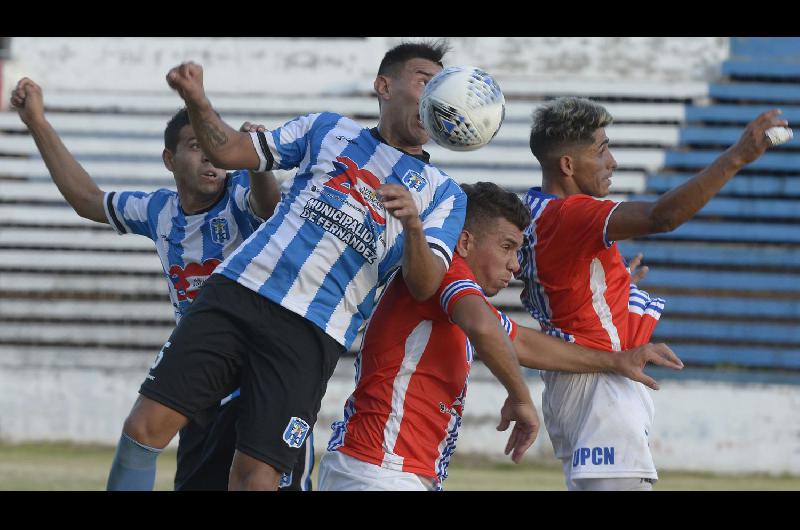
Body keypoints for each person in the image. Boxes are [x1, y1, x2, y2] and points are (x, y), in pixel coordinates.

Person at [101, 40, 508, 491]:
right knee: (144, 429)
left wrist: (412, 223)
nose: (435, 95)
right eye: (424, 81)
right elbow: (235, 151)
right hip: (240, 290)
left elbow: (423, 285)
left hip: (313, 330)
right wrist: (198, 102)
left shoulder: (443, 194)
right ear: (384, 86)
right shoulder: (326, 129)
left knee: (256, 478)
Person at [9, 78, 313, 491]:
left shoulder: (239, 194)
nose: (212, 160)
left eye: (217, 148)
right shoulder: (158, 211)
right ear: (169, 159)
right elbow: (86, 199)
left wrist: (256, 164)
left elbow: (268, 206)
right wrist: (37, 123)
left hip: (259, 373)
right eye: (196, 147)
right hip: (200, 379)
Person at [316, 181, 683, 491]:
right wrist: (521, 398)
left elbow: (518, 341)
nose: (516, 264)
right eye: (507, 247)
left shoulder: (462, 295)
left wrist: (615, 360)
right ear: (464, 242)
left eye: (519, 251)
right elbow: (486, 330)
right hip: (378, 470)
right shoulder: (444, 272)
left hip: (391, 469)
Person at [518, 96, 788, 491]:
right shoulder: (572, 213)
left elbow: (556, 282)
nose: (612, 162)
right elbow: (662, 216)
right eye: (602, 149)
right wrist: (737, 156)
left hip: (570, 382)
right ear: (568, 165)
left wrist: (615, 284)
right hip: (601, 384)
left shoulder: (531, 210)